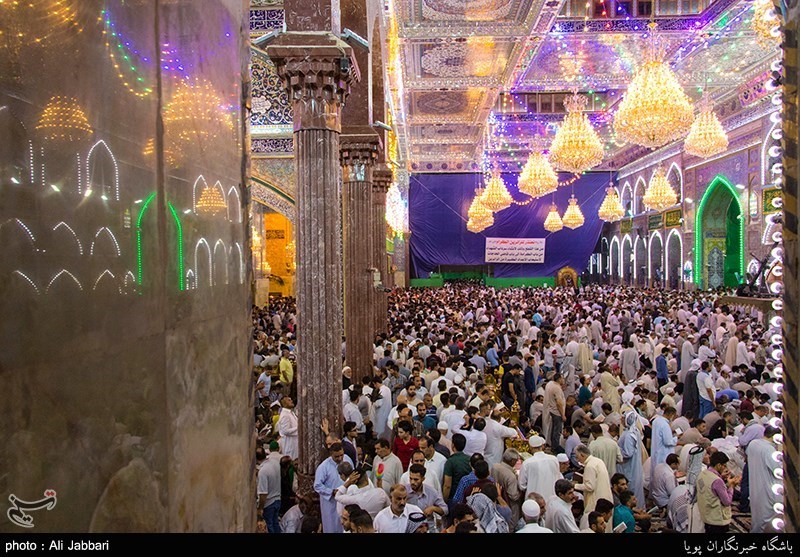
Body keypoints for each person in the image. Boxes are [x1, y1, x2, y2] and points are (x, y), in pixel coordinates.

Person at [746, 426, 782, 533]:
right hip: (767, 489)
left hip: (755, 486)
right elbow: (777, 470)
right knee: (767, 520)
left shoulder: (753, 443)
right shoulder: (769, 450)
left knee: (757, 516)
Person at [696, 451, 739, 533]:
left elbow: (712, 490)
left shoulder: (702, 474)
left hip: (705, 515)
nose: (726, 468)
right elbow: (727, 502)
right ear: (719, 465)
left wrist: (722, 478)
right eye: (724, 465)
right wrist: (731, 486)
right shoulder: (717, 481)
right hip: (717, 520)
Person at [573, 444, 613, 529]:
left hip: (596, 500)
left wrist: (574, 485)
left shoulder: (590, 466)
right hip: (605, 497)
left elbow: (590, 486)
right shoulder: (598, 461)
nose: (577, 459)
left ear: (582, 455)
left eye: (577, 457)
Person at [518, 435, 562, 500]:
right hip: (553, 499)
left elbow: (522, 485)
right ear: (542, 446)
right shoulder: (554, 459)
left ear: (530, 447)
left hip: (535, 500)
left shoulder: (527, 463)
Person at [617, 411, 644, 505]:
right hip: (633, 464)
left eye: (623, 418)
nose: (621, 419)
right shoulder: (634, 431)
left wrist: (617, 449)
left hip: (628, 466)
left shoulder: (629, 435)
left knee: (630, 487)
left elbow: (628, 453)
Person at [492, 448, 523, 526]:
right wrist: (521, 490)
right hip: (510, 506)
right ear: (512, 461)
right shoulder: (510, 476)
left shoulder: (495, 466)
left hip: (496, 501)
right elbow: (514, 496)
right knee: (511, 525)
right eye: (516, 460)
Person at [257, 444, 282, 534]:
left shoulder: (263, 472)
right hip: (277, 499)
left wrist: (260, 508)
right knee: (275, 524)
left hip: (269, 503)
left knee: (269, 527)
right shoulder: (274, 463)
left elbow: (263, 493)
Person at [442, 433, 472, 505]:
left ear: (453, 445)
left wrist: (444, 501)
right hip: (468, 496)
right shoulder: (469, 459)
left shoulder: (450, 461)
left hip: (453, 497)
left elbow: (447, 485)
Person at [650, 407, 678, 482]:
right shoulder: (665, 425)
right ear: (671, 414)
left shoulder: (656, 420)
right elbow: (668, 442)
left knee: (656, 473)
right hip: (663, 453)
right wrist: (676, 438)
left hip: (657, 450)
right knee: (663, 475)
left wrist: (671, 433)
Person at [544, 373, 567, 451]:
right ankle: (555, 447)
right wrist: (563, 415)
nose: (563, 380)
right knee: (557, 431)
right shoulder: (556, 388)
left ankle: (553, 445)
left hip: (552, 410)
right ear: (559, 379)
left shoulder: (550, 384)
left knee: (554, 429)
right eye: (562, 378)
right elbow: (559, 403)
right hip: (557, 412)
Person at [276, 395, 299, 460]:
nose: (291, 401)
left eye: (291, 399)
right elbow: (285, 431)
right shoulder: (285, 415)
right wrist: (299, 428)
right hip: (290, 445)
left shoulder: (291, 413)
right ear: (284, 404)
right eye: (289, 400)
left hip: (295, 443)